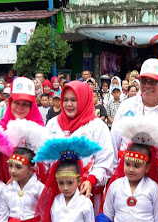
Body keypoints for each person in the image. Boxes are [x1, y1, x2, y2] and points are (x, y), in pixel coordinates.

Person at [47, 81, 115, 212]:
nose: (69, 104)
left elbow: (105, 160)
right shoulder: (52, 124)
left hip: (86, 191)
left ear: (84, 100)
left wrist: (91, 180)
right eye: (65, 100)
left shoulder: (96, 126)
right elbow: (45, 157)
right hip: (57, 189)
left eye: (74, 100)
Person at [112, 59, 158, 155]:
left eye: (153, 81)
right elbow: (113, 144)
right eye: (144, 81)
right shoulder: (126, 107)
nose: (147, 85)